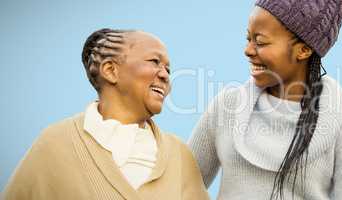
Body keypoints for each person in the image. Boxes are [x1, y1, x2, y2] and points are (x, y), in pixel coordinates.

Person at [188, 0, 342, 199]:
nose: (248, 50)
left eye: (260, 41)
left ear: (304, 50)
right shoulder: (227, 106)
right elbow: (180, 186)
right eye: (248, 39)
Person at [3, 28, 210, 200]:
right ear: (111, 70)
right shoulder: (55, 143)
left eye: (168, 69)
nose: (165, 74)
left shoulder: (179, 155)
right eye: (154, 61)